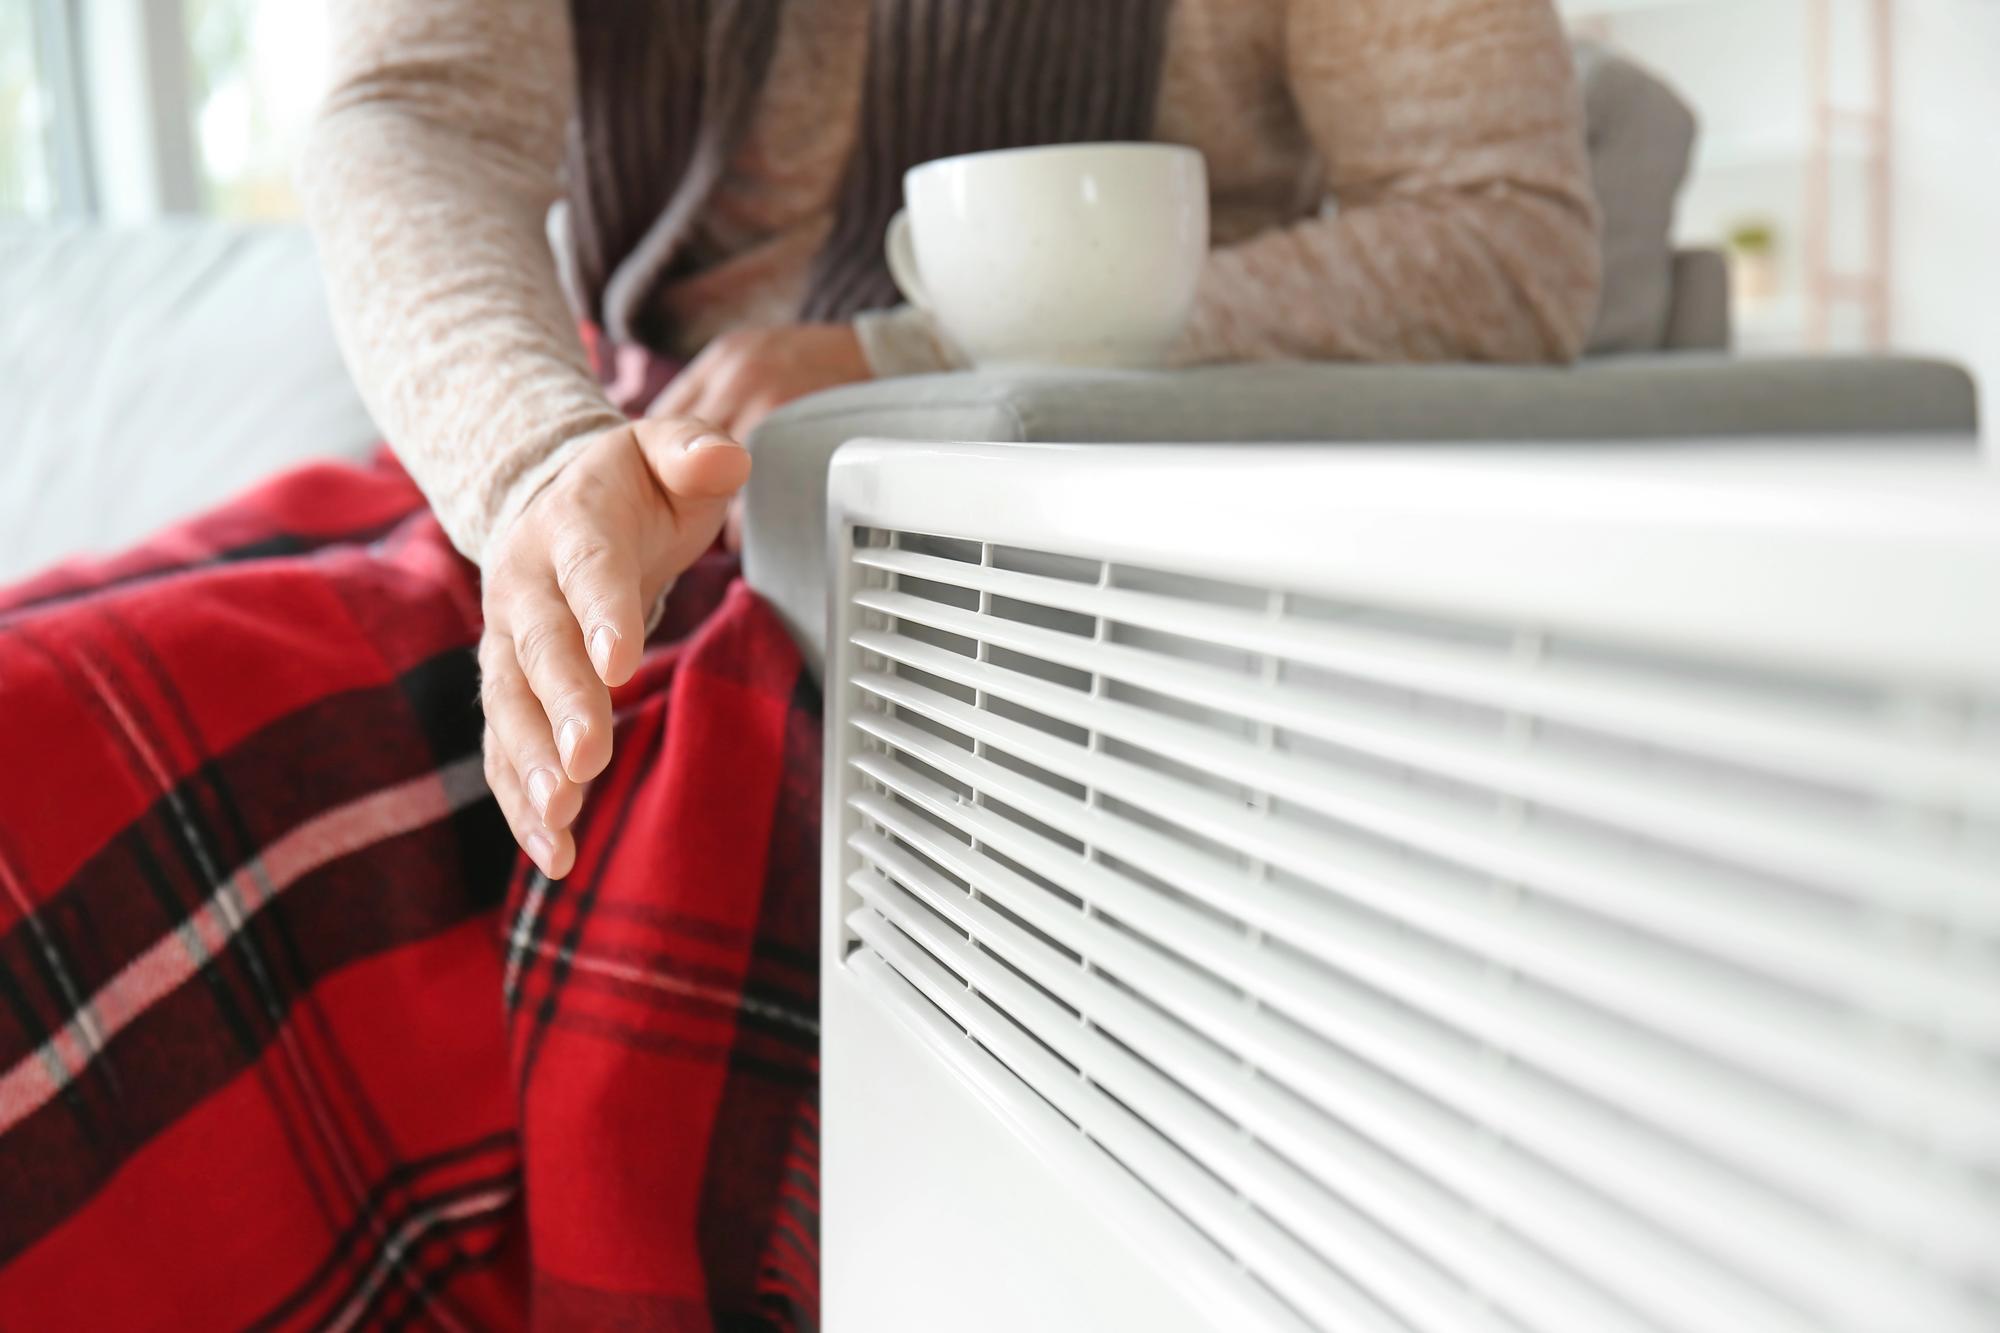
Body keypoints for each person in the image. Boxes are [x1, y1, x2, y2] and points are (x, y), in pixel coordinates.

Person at [301, 0, 1601, 882]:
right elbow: (418, 111)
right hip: (578, 457)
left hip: (1012, 540)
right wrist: (531, 458)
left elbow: (1508, 234)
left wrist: (911, 352)